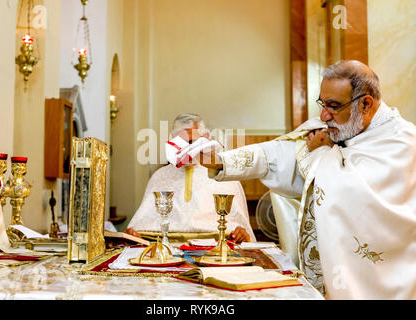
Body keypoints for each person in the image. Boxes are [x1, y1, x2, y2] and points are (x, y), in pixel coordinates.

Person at [199, 60, 415, 299]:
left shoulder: (401, 143)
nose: (324, 115)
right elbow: (280, 154)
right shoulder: (334, 128)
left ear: (366, 104)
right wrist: (222, 161)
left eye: (333, 106)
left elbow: (352, 194)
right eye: (322, 104)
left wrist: (320, 153)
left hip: (382, 283)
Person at [125, 113, 256, 243]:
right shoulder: (160, 176)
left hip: (216, 250)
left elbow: (242, 229)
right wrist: (134, 234)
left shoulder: (225, 175)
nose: (186, 149)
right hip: (166, 251)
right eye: (179, 143)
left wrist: (242, 235)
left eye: (192, 142)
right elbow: (140, 227)